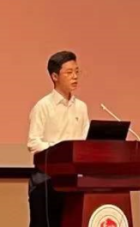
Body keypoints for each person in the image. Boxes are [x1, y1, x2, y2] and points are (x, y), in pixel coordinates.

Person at [27, 50, 89, 227]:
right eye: (69, 72)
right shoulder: (43, 106)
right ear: (55, 76)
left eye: (77, 71)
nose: (75, 76)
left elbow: (84, 142)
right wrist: (60, 150)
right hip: (47, 180)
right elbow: (33, 143)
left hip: (74, 181)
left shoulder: (81, 107)